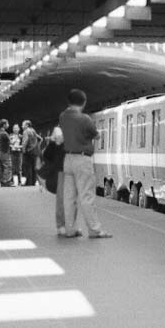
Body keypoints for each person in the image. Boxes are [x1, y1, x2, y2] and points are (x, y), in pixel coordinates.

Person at [59, 89, 110, 239]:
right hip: (82, 160)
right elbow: (96, 135)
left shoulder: (62, 117)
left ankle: (70, 230)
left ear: (69, 102)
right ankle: (94, 230)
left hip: (67, 159)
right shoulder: (85, 119)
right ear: (83, 102)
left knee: (69, 197)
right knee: (87, 196)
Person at [41, 127, 67, 235]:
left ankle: (69, 225)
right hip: (60, 173)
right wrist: (52, 142)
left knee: (70, 201)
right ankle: (61, 225)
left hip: (69, 172)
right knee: (61, 201)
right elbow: (46, 156)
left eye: (60, 136)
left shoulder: (67, 143)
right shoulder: (53, 147)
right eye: (57, 136)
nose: (59, 138)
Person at [21, 120, 41, 186]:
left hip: (28, 151)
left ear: (26, 125)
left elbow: (25, 141)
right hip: (35, 151)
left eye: (23, 124)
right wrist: (36, 146)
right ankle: (33, 182)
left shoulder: (26, 131)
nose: (22, 126)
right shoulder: (33, 130)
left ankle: (28, 182)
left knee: (28, 167)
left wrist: (23, 150)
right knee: (33, 167)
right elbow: (40, 139)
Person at [0, 119, 13, 187]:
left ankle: (2, 182)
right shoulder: (4, 133)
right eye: (7, 123)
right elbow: (10, 142)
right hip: (5, 152)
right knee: (7, 167)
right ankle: (7, 182)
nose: (8, 125)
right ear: (4, 125)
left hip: (0, 152)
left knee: (1, 168)